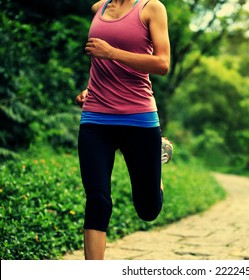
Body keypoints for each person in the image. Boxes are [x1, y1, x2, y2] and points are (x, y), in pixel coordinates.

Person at [74, 0, 171, 260]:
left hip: (138, 118)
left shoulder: (152, 8)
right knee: (97, 200)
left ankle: (157, 158)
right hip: (96, 117)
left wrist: (113, 52)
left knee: (148, 210)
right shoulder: (99, 8)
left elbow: (162, 64)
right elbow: (99, 65)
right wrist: (88, 89)